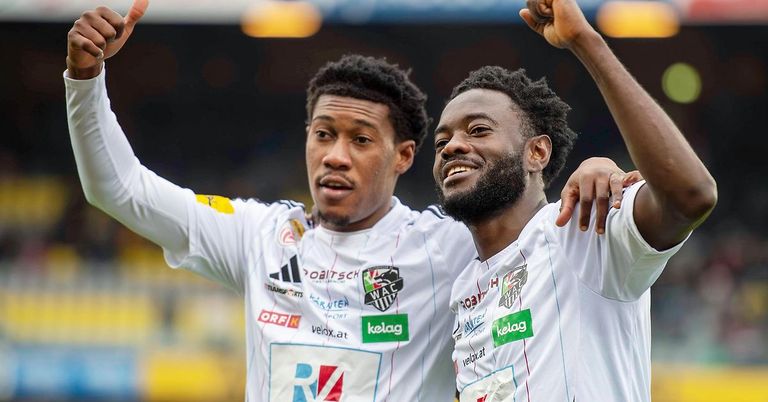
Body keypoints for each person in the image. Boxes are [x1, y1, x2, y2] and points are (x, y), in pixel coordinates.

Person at [64, 1, 638, 400]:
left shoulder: (448, 247)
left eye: (361, 140)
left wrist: (598, 166)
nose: (335, 156)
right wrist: (86, 80)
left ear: (405, 156)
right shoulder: (259, 238)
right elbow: (120, 190)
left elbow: (529, 228)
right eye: (323, 135)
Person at [434, 1, 718, 401]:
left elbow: (692, 196)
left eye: (478, 130)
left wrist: (586, 42)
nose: (452, 147)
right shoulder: (466, 287)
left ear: (537, 153)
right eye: (442, 141)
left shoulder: (586, 227)